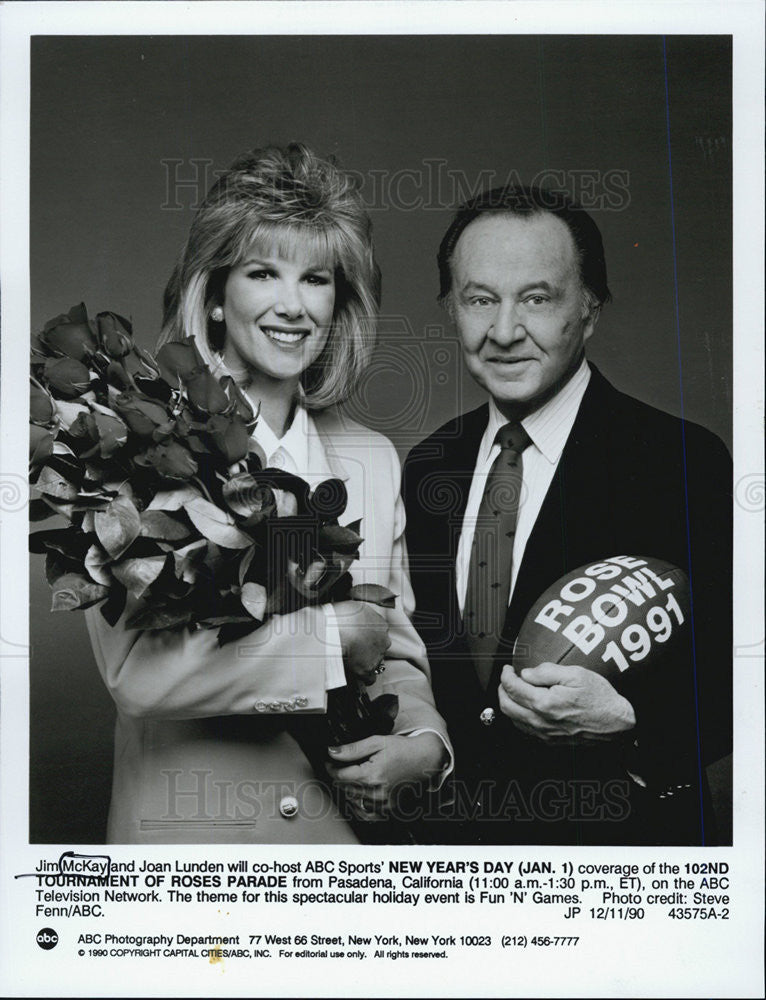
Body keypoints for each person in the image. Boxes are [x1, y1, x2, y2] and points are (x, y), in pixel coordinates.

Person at [85, 143, 450, 844]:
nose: (292, 306)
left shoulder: (372, 461)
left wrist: (425, 741)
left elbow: (397, 656)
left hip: (336, 860)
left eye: (316, 279)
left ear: (339, 302)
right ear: (216, 295)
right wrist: (329, 638)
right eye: (262, 272)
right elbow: (139, 676)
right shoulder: (137, 447)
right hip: (186, 861)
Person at [402, 185, 731, 846]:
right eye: (479, 299)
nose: (502, 331)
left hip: (621, 864)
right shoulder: (429, 465)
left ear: (589, 308)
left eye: (536, 298)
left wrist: (633, 717)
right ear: (450, 310)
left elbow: (743, 667)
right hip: (459, 868)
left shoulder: (679, 461)